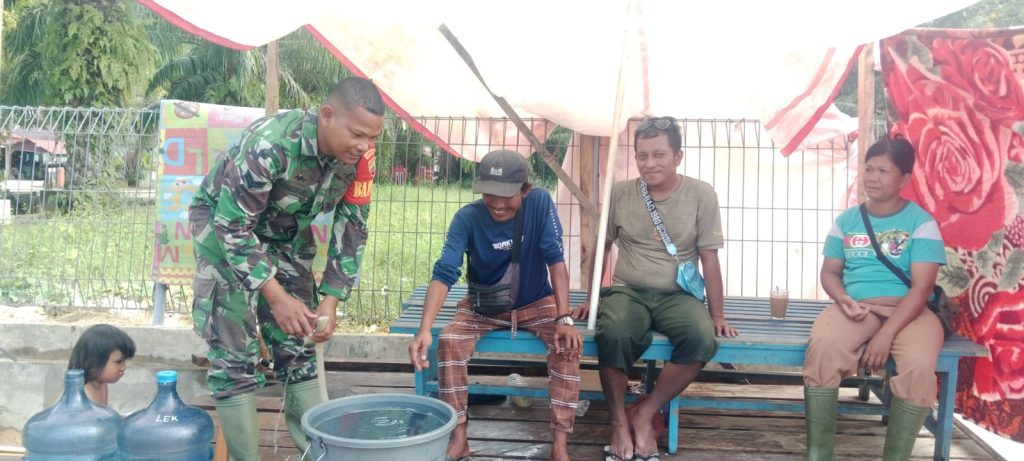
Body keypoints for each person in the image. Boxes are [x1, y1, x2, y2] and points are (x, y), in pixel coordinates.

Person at [189, 77, 385, 459]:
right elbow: (233, 227)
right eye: (358, 134)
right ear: (327, 116)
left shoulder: (361, 160)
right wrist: (277, 298)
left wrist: (330, 300)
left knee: (299, 341)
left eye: (373, 137)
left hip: (286, 235)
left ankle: (317, 455)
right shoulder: (271, 144)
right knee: (234, 353)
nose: (365, 146)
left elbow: (353, 226)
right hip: (224, 230)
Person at [573, 116, 738, 461]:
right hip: (627, 290)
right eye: (642, 155)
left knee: (702, 338)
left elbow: (710, 258)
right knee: (614, 333)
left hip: (678, 296)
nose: (649, 163)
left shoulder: (701, 194)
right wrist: (591, 299)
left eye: (659, 154)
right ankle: (619, 422)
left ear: (678, 156)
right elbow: (602, 248)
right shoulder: (620, 193)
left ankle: (645, 413)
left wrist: (717, 315)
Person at [408, 149, 582, 461]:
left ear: (525, 190)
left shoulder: (540, 203)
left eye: (507, 195)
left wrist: (564, 319)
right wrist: (424, 330)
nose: (498, 203)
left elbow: (556, 260)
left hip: (536, 301)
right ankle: (459, 438)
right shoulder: (466, 218)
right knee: (449, 341)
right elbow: (445, 271)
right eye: (490, 194)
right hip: (483, 306)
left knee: (566, 346)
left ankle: (559, 445)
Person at [803, 136, 946, 461]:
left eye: (884, 170)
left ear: (904, 179)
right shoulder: (846, 221)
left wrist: (886, 334)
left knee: (918, 368)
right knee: (823, 348)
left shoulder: (921, 223)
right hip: (858, 308)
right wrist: (842, 298)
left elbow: (922, 288)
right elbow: (830, 273)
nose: (873, 177)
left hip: (909, 311)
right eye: (869, 169)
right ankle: (817, 455)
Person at [68, 324, 136, 407]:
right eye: (119, 362)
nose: (124, 367)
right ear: (94, 362)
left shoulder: (102, 385)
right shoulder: (81, 397)